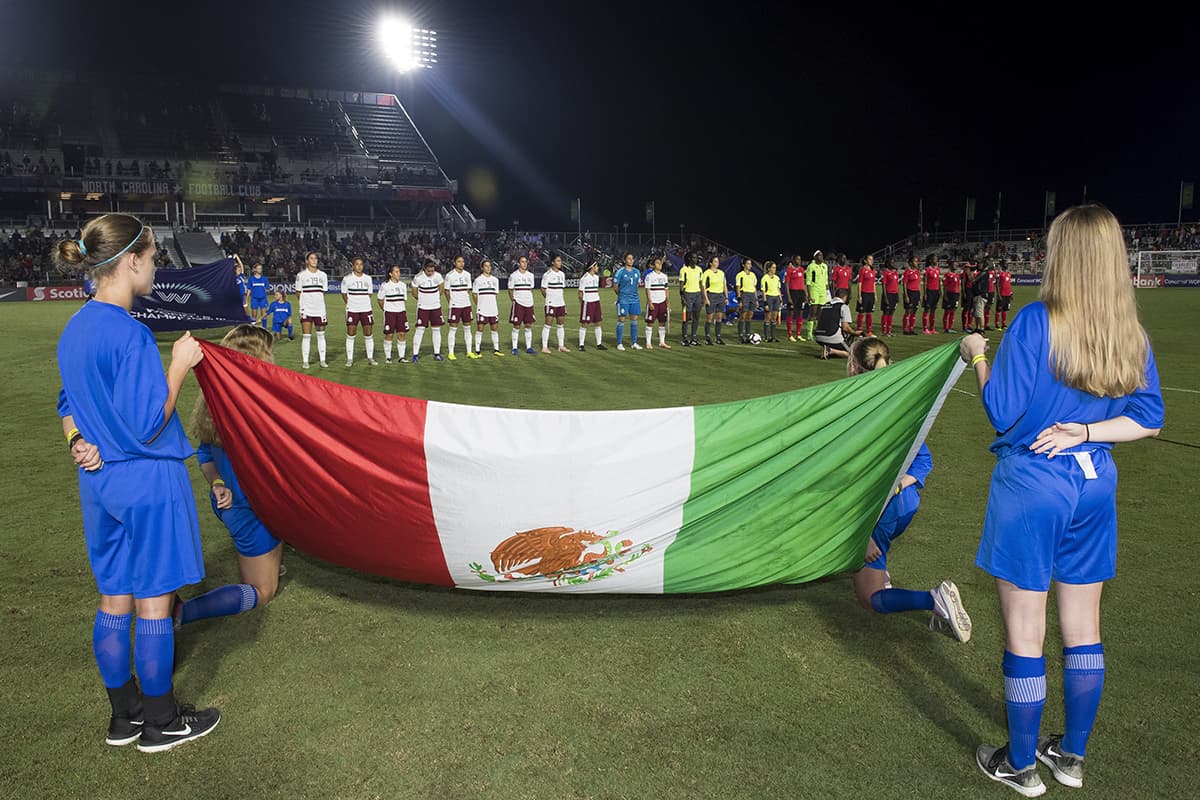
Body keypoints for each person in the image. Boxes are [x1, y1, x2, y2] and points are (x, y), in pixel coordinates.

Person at [960, 205, 1164, 796]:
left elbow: (1002, 412)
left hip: (1034, 483)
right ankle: (1071, 757)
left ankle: (1021, 764)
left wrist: (978, 356)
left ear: (1063, 256)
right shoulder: (1129, 332)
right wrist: (1089, 431)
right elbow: (1148, 419)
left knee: (1026, 631)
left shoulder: (1035, 321)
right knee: (1083, 626)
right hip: (1095, 483)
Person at [54, 213, 220, 752]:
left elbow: (67, 404)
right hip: (148, 480)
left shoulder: (75, 326)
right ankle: (162, 721)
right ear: (129, 261)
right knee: (153, 601)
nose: (155, 267)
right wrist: (180, 365)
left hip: (99, 483)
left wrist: (77, 441)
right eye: (151, 257)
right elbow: (149, 422)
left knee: (113, 599)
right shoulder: (131, 333)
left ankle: (124, 716)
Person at [847, 338, 971, 641]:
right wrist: (899, 486)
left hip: (879, 510)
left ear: (852, 367)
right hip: (906, 502)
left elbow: (852, 481)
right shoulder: (898, 405)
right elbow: (923, 460)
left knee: (870, 598)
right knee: (873, 555)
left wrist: (863, 534)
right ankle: (882, 567)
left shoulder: (855, 412)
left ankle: (934, 599)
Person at [181, 325, 283, 628]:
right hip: (248, 510)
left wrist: (217, 484)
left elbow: (204, 455)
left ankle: (270, 558)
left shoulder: (216, 400)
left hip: (234, 502)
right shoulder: (257, 410)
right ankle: (179, 613)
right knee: (263, 591)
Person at [296, 251, 328, 369]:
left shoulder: (323, 275)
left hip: (320, 309)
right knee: (306, 335)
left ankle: (323, 360)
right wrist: (304, 305)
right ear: (307, 261)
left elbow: (323, 292)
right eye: (311, 258)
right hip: (306, 309)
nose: (314, 260)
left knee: (321, 335)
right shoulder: (301, 275)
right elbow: (298, 293)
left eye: (316, 258)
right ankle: (305, 361)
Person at [341, 257, 376, 366]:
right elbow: (344, 294)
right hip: (352, 309)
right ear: (353, 266)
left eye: (361, 264)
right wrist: (351, 304)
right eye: (357, 264)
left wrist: (362, 302)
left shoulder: (368, 278)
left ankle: (370, 358)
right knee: (351, 333)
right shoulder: (347, 279)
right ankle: (350, 359)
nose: (359, 266)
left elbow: (369, 294)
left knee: (368, 333)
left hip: (366, 309)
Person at [410, 258, 446, 362]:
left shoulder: (438, 276)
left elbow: (441, 288)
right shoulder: (418, 277)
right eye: (428, 271)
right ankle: (415, 355)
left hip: (435, 307)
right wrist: (423, 299)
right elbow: (414, 292)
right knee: (420, 330)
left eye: (432, 271)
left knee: (436, 329)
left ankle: (437, 354)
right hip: (423, 308)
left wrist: (435, 298)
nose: (430, 273)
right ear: (424, 269)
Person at [812, 287, 861, 359]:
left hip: (818, 336)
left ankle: (828, 350)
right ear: (845, 297)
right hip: (832, 336)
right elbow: (845, 328)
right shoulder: (843, 306)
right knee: (854, 355)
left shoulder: (825, 305)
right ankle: (830, 350)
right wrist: (855, 333)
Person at [472, 258, 505, 357]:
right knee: (480, 329)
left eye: (489, 266)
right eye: (486, 266)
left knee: (494, 329)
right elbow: (474, 294)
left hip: (493, 309)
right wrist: (479, 305)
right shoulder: (478, 280)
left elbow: (495, 294)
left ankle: (496, 349)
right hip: (482, 309)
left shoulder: (495, 280)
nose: (488, 268)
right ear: (482, 268)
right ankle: (477, 351)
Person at [377, 264, 409, 363]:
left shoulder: (403, 285)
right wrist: (386, 309)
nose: (398, 273)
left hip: (401, 313)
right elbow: (380, 299)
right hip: (389, 313)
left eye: (399, 271)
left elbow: (404, 299)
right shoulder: (385, 285)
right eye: (396, 272)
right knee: (389, 334)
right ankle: (388, 357)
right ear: (390, 274)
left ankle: (401, 357)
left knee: (402, 334)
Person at [444, 254, 473, 361]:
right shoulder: (449, 275)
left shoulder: (467, 274)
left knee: (468, 328)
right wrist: (451, 302)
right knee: (453, 328)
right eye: (459, 261)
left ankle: (469, 351)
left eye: (462, 261)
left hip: (466, 304)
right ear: (454, 263)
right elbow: (446, 291)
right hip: (455, 305)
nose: (461, 264)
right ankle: (451, 353)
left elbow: (468, 290)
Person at [612, 252, 642, 351]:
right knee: (621, 320)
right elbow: (615, 286)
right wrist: (621, 296)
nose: (631, 260)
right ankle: (619, 343)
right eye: (629, 258)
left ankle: (634, 343)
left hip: (635, 300)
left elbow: (637, 285)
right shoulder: (620, 272)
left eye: (632, 258)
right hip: (623, 300)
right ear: (624, 260)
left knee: (634, 321)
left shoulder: (637, 271)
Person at [540, 253, 569, 353]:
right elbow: (543, 289)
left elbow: (561, 290)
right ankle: (544, 347)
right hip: (551, 303)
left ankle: (561, 346)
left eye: (560, 261)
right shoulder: (547, 275)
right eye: (558, 261)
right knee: (548, 324)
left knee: (560, 324)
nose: (560, 263)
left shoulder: (562, 274)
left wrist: (563, 303)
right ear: (553, 262)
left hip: (560, 303)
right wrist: (548, 299)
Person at [507, 255, 537, 355]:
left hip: (529, 303)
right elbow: (510, 290)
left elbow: (530, 289)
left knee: (528, 325)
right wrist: (514, 300)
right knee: (517, 325)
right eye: (522, 262)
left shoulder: (530, 275)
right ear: (518, 263)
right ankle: (514, 348)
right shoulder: (514, 276)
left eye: (526, 262)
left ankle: (529, 347)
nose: (524, 264)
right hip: (518, 303)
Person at [643, 256, 672, 349]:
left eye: (660, 263)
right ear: (653, 265)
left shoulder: (664, 276)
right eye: (657, 263)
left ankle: (662, 342)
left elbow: (666, 289)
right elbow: (647, 290)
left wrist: (668, 302)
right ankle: (648, 343)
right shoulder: (649, 276)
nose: (659, 265)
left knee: (662, 322)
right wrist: (650, 302)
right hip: (654, 302)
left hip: (662, 302)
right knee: (650, 323)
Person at [701, 255, 728, 345]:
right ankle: (707, 338)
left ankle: (718, 337)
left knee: (719, 318)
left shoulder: (721, 273)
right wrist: (706, 299)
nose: (717, 263)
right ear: (710, 263)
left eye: (718, 261)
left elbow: (724, 285)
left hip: (720, 296)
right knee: (709, 318)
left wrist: (726, 297)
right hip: (711, 296)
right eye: (715, 261)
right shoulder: (707, 273)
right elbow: (703, 287)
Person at [678, 251, 703, 346]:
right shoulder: (684, 270)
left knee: (696, 317)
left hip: (697, 295)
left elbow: (701, 283)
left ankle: (693, 338)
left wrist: (702, 297)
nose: (695, 259)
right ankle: (684, 338)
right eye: (693, 257)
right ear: (689, 258)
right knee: (686, 317)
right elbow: (681, 284)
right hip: (687, 294)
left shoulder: (699, 270)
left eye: (696, 258)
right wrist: (682, 296)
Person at [804, 250, 829, 341]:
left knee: (820, 312)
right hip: (814, 290)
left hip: (823, 291)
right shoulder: (811, 267)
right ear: (815, 257)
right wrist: (809, 295)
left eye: (822, 255)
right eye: (819, 256)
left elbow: (826, 279)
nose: (821, 257)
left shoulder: (825, 266)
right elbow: (808, 282)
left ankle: (818, 331)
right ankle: (809, 334)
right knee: (813, 311)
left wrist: (827, 290)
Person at [734, 258, 758, 343]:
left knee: (749, 316)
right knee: (743, 316)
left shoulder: (753, 275)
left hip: (752, 295)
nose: (749, 265)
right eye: (748, 263)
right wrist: (739, 299)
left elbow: (754, 288)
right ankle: (740, 336)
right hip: (744, 295)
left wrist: (756, 299)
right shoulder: (740, 275)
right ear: (743, 265)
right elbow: (738, 287)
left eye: (750, 264)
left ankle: (748, 335)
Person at [784, 254, 807, 341]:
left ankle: (798, 334)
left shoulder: (801, 269)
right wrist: (789, 297)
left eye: (800, 259)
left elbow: (803, 282)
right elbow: (787, 284)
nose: (799, 261)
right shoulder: (789, 270)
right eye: (797, 259)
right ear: (793, 260)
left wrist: (806, 294)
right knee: (791, 313)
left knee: (800, 313)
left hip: (801, 293)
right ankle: (790, 335)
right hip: (793, 292)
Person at [760, 261, 782, 341]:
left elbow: (778, 289)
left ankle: (773, 337)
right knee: (768, 317)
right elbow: (763, 291)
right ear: (769, 269)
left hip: (776, 298)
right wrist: (765, 302)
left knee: (774, 317)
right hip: (769, 297)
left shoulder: (777, 278)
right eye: (773, 267)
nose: (774, 269)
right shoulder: (764, 278)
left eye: (775, 268)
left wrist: (780, 299)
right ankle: (766, 337)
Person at [855, 255, 877, 335]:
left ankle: (869, 331)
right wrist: (859, 295)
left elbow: (873, 283)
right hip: (864, 293)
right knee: (861, 313)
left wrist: (875, 294)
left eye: (872, 259)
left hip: (871, 294)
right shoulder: (862, 270)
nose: (872, 261)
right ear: (865, 261)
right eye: (870, 259)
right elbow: (860, 283)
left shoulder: (873, 270)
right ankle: (859, 330)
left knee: (869, 313)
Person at [901, 255, 921, 335]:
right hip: (910, 292)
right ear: (910, 263)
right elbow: (904, 284)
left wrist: (920, 294)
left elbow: (918, 284)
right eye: (915, 261)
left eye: (917, 261)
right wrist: (906, 295)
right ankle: (905, 329)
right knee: (908, 311)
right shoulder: (907, 272)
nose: (917, 263)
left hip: (916, 293)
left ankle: (911, 328)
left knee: (914, 311)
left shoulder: (918, 272)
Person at [921, 254, 941, 334]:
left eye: (936, 259)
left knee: (933, 310)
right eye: (935, 259)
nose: (936, 260)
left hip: (936, 291)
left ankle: (932, 328)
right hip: (929, 291)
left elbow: (938, 280)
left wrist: (939, 290)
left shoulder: (938, 269)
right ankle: (925, 328)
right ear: (930, 260)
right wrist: (925, 293)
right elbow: (925, 282)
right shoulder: (927, 270)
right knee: (927, 309)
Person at [879, 256, 900, 336]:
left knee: (891, 312)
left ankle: (889, 331)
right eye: (891, 262)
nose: (893, 264)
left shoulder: (895, 272)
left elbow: (896, 284)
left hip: (894, 294)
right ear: (888, 264)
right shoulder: (886, 272)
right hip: (888, 294)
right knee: (886, 312)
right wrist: (885, 297)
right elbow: (883, 285)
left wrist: (897, 295)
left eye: (893, 262)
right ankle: (884, 331)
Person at [246, 262, 271, 327]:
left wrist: (266, 290)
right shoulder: (251, 279)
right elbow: (249, 289)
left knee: (263, 315)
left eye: (261, 268)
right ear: (255, 269)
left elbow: (268, 289)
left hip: (263, 299)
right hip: (254, 299)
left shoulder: (264, 278)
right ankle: (253, 328)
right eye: (259, 268)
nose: (260, 270)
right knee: (254, 315)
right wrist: (247, 299)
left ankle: (264, 329)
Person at [941, 260, 960, 333]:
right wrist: (945, 295)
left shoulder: (957, 275)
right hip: (949, 294)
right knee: (947, 311)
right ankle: (945, 328)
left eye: (956, 265)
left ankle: (950, 327)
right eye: (954, 265)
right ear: (950, 266)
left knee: (953, 311)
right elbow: (945, 285)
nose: (955, 266)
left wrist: (958, 294)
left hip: (955, 294)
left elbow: (958, 285)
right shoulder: (947, 275)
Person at [996, 262, 1014, 329]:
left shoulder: (1009, 274)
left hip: (1007, 294)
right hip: (1002, 294)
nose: (1006, 266)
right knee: (999, 309)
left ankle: (1004, 324)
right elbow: (997, 284)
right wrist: (998, 294)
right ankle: (997, 324)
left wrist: (1011, 292)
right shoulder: (1000, 274)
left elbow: (1009, 284)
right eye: (1005, 265)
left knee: (1005, 309)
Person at [960, 261, 977, 333]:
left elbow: (973, 281)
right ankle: (964, 326)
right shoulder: (964, 274)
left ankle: (969, 325)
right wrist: (964, 293)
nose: (967, 269)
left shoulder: (972, 273)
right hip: (967, 291)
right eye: (966, 267)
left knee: (971, 309)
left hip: (972, 291)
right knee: (966, 309)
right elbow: (963, 284)